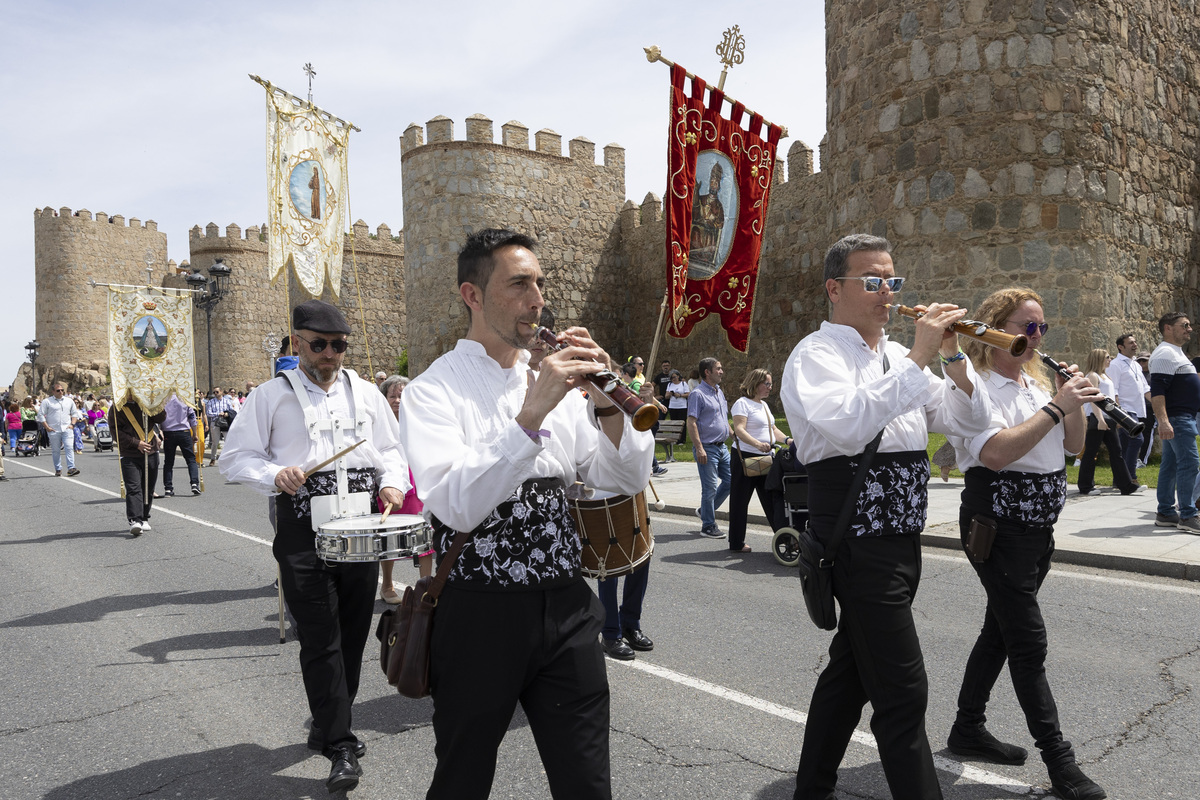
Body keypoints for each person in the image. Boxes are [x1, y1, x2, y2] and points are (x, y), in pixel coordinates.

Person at [402, 228, 652, 800]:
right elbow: (457, 503)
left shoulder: (550, 380)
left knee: (587, 780)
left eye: (539, 283)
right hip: (479, 614)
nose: (537, 298)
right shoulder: (432, 390)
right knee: (463, 777)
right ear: (472, 295)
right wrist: (533, 412)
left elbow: (619, 479)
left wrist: (611, 402)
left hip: (566, 605)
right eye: (519, 284)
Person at [780, 233, 992, 800]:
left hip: (900, 534)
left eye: (892, 281)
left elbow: (966, 420)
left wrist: (951, 356)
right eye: (871, 281)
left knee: (850, 674)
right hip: (854, 533)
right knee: (903, 691)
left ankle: (812, 789)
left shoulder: (898, 356)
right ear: (835, 288)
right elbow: (847, 425)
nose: (887, 294)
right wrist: (920, 357)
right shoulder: (816, 355)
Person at [219, 299, 410, 794]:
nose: (330, 354)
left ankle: (329, 723)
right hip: (304, 524)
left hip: (360, 522)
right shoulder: (269, 397)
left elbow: (391, 451)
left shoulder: (366, 393)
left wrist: (391, 483)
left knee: (351, 633)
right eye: (320, 344)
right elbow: (233, 458)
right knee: (320, 636)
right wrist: (272, 473)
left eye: (339, 345)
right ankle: (341, 743)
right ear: (298, 342)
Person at [944, 287, 1108, 800]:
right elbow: (995, 453)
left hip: (1038, 527)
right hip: (996, 524)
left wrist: (1071, 397)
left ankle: (966, 729)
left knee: (1000, 630)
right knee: (1028, 640)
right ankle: (1061, 764)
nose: (1036, 337)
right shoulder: (975, 385)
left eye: (1041, 329)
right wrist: (1058, 408)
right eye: (1026, 327)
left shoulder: (1038, 388)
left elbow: (1074, 446)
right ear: (996, 328)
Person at [377, 373, 432, 605]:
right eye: (392, 396)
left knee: (424, 535)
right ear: (384, 399)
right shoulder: (379, 424)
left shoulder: (420, 420)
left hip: (418, 485)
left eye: (402, 395)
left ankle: (426, 587)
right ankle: (387, 584)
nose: (398, 400)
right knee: (389, 535)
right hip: (391, 485)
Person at [728, 368, 791, 554]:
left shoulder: (763, 405)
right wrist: (757, 444)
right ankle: (736, 542)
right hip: (745, 458)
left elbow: (772, 428)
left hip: (765, 458)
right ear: (755, 383)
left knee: (772, 499)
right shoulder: (742, 404)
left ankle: (785, 539)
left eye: (771, 384)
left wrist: (787, 440)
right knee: (740, 501)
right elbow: (739, 429)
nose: (770, 387)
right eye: (767, 384)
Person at [1149, 312, 1200, 532]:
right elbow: (1157, 391)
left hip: (1180, 418)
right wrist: (1164, 421)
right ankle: (1188, 516)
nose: (1189, 329)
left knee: (1170, 466)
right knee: (1189, 464)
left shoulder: (1175, 353)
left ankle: (1166, 512)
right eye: (1185, 325)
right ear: (1168, 328)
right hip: (1178, 420)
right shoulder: (1165, 354)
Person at [1077, 349, 1138, 496]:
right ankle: (1085, 486)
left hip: (1108, 419)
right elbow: (1093, 400)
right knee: (1091, 452)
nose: (1110, 359)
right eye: (1107, 357)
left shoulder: (1106, 376)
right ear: (1099, 359)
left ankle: (1126, 485)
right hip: (1097, 418)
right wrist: (1100, 419)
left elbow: (1109, 400)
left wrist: (1117, 419)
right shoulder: (1093, 376)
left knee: (1117, 452)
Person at [687, 357, 732, 539]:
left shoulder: (718, 391)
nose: (721, 371)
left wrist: (736, 436)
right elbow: (692, 422)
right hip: (707, 448)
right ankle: (708, 525)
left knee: (731, 481)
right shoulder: (697, 394)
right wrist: (699, 448)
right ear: (707, 372)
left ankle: (706, 510)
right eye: (718, 369)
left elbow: (722, 419)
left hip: (722, 448)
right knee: (710, 487)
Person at [109, 399, 166, 536]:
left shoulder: (147, 403)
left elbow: (161, 418)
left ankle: (145, 517)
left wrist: (158, 403)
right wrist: (135, 443)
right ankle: (135, 519)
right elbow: (116, 432)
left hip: (151, 451)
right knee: (134, 487)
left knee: (148, 487)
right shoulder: (117, 408)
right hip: (129, 453)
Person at [1106, 332, 1151, 481]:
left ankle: (1119, 479)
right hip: (1124, 410)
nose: (1135, 345)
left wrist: (1159, 407)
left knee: (1125, 445)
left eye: (1135, 342)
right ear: (1120, 347)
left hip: (1136, 409)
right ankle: (1130, 477)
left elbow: (1145, 389)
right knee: (1137, 440)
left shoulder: (1136, 364)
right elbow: (1114, 390)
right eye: (1131, 343)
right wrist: (1119, 415)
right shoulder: (1115, 364)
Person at [160, 393, 201, 497]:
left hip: (168, 432)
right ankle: (194, 483)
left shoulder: (163, 398)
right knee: (191, 459)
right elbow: (192, 416)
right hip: (184, 431)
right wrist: (195, 434)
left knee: (168, 462)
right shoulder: (184, 397)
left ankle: (168, 488)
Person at [38, 382, 83, 477]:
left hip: (67, 428)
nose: (61, 392)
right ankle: (58, 468)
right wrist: (47, 427)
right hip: (53, 429)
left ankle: (71, 468)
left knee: (69, 447)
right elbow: (40, 415)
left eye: (62, 390)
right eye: (58, 390)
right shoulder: (47, 401)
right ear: (53, 391)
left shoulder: (69, 401)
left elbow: (74, 413)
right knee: (55, 450)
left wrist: (72, 424)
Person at [204, 387, 236, 465]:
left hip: (225, 422)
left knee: (227, 440)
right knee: (215, 442)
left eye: (217, 392)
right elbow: (208, 413)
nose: (215, 393)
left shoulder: (227, 401)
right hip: (215, 422)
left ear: (221, 392)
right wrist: (218, 414)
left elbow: (232, 411)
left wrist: (226, 414)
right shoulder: (211, 402)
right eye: (214, 392)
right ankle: (213, 458)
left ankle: (228, 458)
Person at [1135, 352, 1156, 466]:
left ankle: (1143, 459)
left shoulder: (1154, 374)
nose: (1142, 363)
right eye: (1140, 361)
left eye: (1144, 361)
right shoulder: (1136, 373)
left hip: (1149, 407)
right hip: (1137, 407)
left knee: (1147, 433)